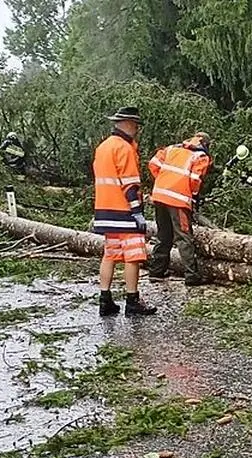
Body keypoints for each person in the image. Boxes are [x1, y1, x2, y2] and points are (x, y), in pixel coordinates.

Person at [93, 107, 156, 317]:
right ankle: (132, 300)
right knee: (133, 256)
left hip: (104, 210)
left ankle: (105, 299)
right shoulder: (124, 148)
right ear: (127, 124)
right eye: (136, 125)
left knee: (109, 255)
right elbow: (129, 184)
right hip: (124, 211)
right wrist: (137, 211)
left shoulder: (103, 147)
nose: (137, 129)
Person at [146, 132, 213, 285]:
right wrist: (193, 195)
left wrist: (163, 180)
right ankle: (191, 275)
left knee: (164, 235)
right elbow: (195, 180)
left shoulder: (171, 149)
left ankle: (156, 271)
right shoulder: (201, 157)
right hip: (179, 199)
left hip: (160, 196)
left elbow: (153, 164)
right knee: (183, 237)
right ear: (206, 144)